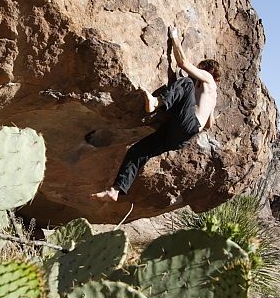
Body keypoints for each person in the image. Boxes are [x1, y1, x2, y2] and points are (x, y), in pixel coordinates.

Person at [92, 27, 220, 201]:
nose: (198, 70)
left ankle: (157, 102)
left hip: (186, 122)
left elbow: (183, 63)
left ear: (207, 68)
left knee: (187, 83)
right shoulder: (213, 95)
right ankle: (115, 190)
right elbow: (209, 125)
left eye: (201, 67)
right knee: (139, 150)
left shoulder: (207, 77)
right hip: (184, 135)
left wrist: (174, 38)